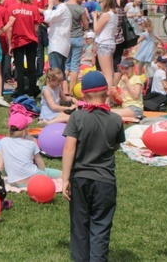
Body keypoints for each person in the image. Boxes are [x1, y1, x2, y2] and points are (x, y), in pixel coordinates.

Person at [62, 71, 125, 262]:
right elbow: (115, 145)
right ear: (107, 93)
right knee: (101, 225)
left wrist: (65, 178)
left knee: (79, 224)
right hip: (105, 181)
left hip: (80, 179)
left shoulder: (77, 117)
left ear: (82, 95)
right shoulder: (115, 119)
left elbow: (69, 147)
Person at [0, 112, 60, 188]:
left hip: (12, 182)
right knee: (48, 172)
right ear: (25, 129)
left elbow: (0, 165)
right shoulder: (31, 144)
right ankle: (64, 175)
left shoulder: (3, 141)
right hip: (32, 179)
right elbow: (41, 165)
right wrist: (44, 175)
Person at [9, 0, 42, 98]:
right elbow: (37, 28)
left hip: (17, 40)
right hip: (31, 40)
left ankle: (21, 94)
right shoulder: (34, 8)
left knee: (19, 68)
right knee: (32, 68)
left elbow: (9, 26)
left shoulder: (12, 8)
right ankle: (32, 93)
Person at [93, 0, 118, 96]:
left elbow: (96, 29)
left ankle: (107, 98)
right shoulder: (113, 14)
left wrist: (95, 17)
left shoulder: (106, 15)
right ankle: (111, 96)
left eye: (101, 2)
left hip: (104, 44)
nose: (99, 4)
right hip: (110, 43)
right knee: (110, 72)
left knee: (106, 73)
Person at [66, 0, 89, 93]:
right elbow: (86, 25)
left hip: (66, 37)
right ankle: (71, 90)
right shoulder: (80, 9)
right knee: (75, 64)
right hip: (77, 37)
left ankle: (63, 89)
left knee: (66, 64)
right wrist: (84, 29)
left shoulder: (64, 6)